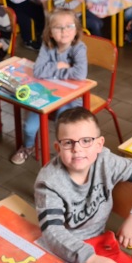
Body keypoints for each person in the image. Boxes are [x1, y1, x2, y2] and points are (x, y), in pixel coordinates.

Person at [35, 107, 132, 263]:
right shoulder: (49, 181)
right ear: (58, 148)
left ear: (99, 145)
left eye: (86, 141)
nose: (77, 149)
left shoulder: (105, 161)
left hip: (102, 245)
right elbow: (52, 232)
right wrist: (91, 260)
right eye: (68, 142)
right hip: (63, 249)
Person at [11, 9, 87, 164]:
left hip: (70, 97)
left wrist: (51, 71)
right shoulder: (47, 46)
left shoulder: (79, 48)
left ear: (76, 30)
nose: (64, 31)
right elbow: (38, 71)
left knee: (62, 124)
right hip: (45, 93)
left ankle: (65, 154)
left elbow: (80, 74)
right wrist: (59, 66)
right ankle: (28, 147)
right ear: (50, 32)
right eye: (58, 27)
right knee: (29, 127)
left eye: (69, 26)